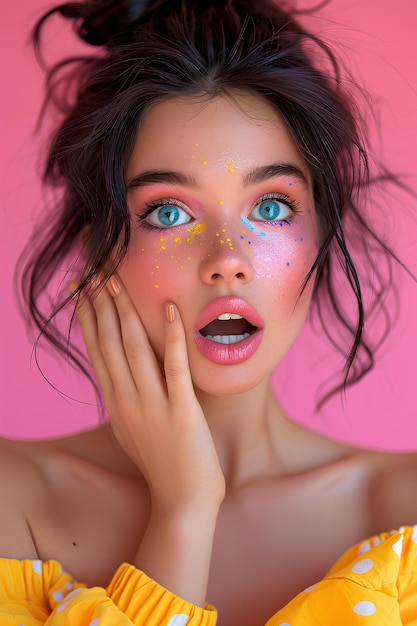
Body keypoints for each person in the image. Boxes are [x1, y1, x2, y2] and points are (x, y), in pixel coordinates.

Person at [0, 0, 416, 624]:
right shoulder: (13, 500)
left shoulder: (405, 513)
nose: (227, 259)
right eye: (168, 212)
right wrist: (183, 511)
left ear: (324, 233)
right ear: (97, 249)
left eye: (272, 207)